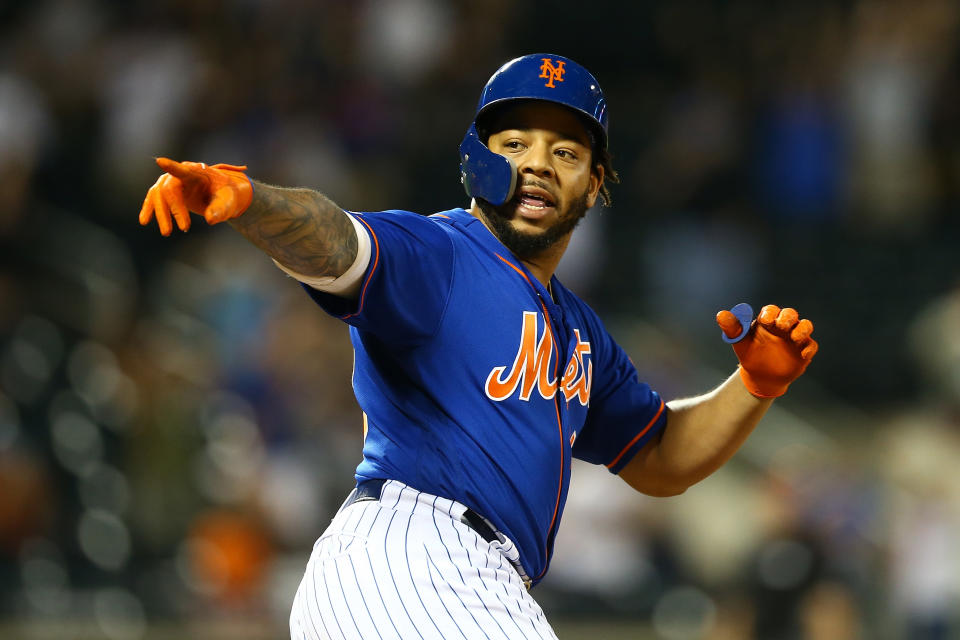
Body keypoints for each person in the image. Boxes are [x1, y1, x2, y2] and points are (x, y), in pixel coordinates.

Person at [138, 53, 818, 640]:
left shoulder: (581, 334)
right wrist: (254, 201)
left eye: (566, 152)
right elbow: (336, 240)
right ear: (476, 158)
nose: (538, 165)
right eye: (514, 143)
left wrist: (752, 386)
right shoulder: (440, 254)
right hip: (414, 554)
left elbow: (659, 456)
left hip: (459, 580)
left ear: (596, 182)